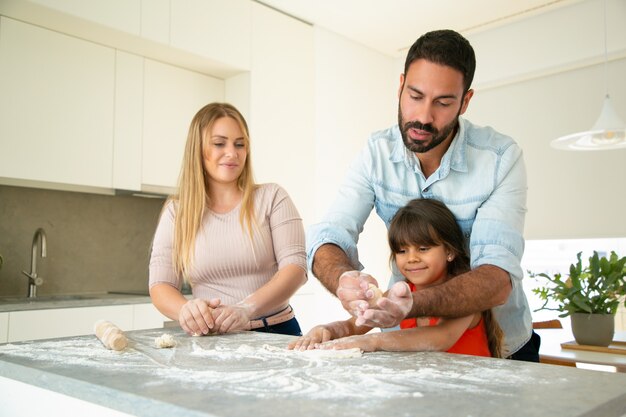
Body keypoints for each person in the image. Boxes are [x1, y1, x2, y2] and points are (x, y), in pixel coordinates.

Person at [307, 29, 538, 361]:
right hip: (405, 342)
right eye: (415, 96)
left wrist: (408, 305)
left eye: (443, 103)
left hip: (501, 349)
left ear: (465, 101)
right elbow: (329, 236)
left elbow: (495, 280)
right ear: (400, 85)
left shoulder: (499, 159)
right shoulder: (376, 153)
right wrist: (344, 281)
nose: (423, 117)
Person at [149, 102, 307, 337]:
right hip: (210, 337)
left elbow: (296, 268)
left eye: (240, 144)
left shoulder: (272, 197)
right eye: (219, 143)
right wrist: (187, 310)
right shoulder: (177, 212)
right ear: (198, 149)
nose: (232, 153)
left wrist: (246, 308)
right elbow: (161, 286)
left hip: (275, 332)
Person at [291, 199, 503, 357]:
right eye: (402, 251)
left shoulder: (465, 296)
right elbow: (356, 325)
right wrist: (329, 330)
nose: (411, 258)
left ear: (449, 251)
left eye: (423, 248)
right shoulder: (400, 294)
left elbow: (441, 337)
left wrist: (373, 341)